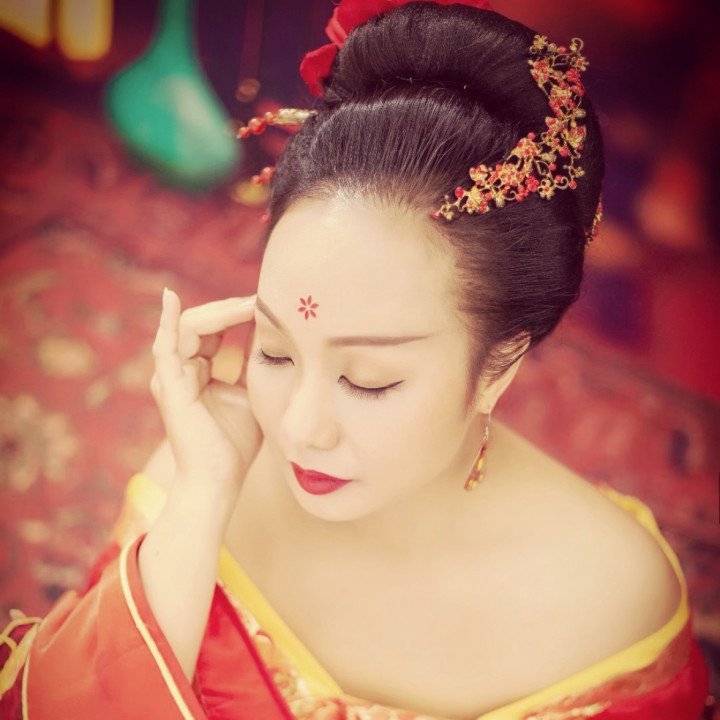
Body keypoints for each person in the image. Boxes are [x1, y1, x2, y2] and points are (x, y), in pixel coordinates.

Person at [0, 1, 710, 718]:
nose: (298, 430)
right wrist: (201, 497)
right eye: (275, 351)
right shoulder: (206, 469)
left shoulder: (607, 608)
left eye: (369, 382)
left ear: (499, 366)